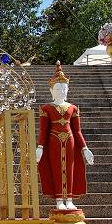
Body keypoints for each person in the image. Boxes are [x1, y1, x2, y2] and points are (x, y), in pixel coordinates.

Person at [36, 62, 94, 210]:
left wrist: (85, 149)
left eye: (64, 88)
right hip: (53, 141)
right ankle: (58, 200)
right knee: (55, 168)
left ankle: (69, 199)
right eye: (58, 88)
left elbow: (78, 131)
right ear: (51, 90)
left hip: (70, 141)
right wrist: (40, 147)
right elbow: (43, 130)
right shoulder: (46, 108)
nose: (61, 91)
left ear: (68, 89)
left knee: (71, 169)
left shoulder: (73, 108)